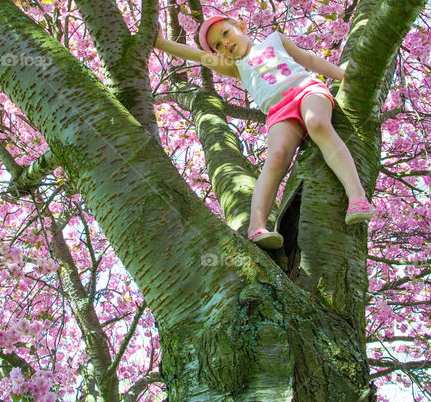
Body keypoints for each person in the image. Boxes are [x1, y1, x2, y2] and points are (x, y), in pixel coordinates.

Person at [154, 15, 374, 250]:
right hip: (279, 112)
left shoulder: (275, 39)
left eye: (226, 34)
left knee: (317, 123)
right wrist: (160, 43)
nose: (225, 44)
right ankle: (256, 227)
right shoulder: (234, 66)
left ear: (241, 26)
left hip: (306, 90)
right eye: (218, 45)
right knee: (276, 157)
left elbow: (308, 59)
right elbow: (196, 55)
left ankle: (357, 196)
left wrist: (343, 75)